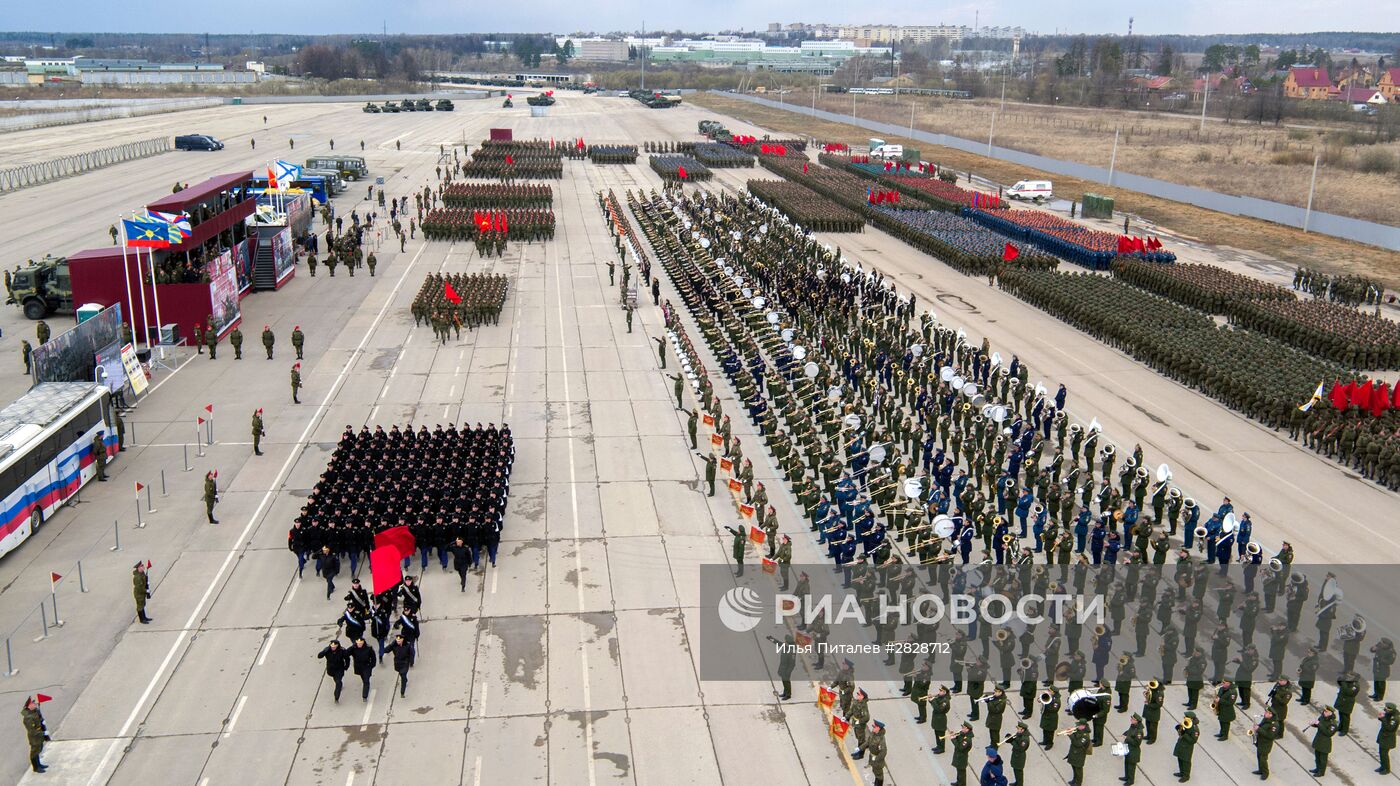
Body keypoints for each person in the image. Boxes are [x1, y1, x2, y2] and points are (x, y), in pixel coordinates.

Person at [22, 696, 48, 773]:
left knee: (39, 749)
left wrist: (42, 722)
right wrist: (43, 733)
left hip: (39, 735)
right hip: (34, 737)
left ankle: (39, 764)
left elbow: (38, 719)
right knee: (34, 751)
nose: (35, 704)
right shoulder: (28, 718)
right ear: (29, 706)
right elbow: (32, 731)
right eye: (33, 703)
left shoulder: (35, 711)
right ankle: (36, 767)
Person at [350, 637, 376, 701]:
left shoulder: (368, 648)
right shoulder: (354, 648)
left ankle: (365, 696)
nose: (359, 644)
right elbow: (346, 653)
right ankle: (365, 685)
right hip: (359, 667)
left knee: (366, 681)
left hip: (366, 666)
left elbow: (373, 658)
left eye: (360, 643)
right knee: (364, 679)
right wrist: (352, 647)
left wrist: (371, 666)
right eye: (358, 643)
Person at [1379, 702, 1399, 775]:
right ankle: (1382, 766)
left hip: (1388, 738)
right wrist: (1381, 718)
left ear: (1391, 709)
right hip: (1384, 736)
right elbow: (1385, 720)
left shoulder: (1395, 718)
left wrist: (1383, 719)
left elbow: (1389, 728)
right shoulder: (1390, 713)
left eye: (1387, 709)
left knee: (1384, 754)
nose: (1385, 709)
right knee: (1381, 753)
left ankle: (1386, 768)